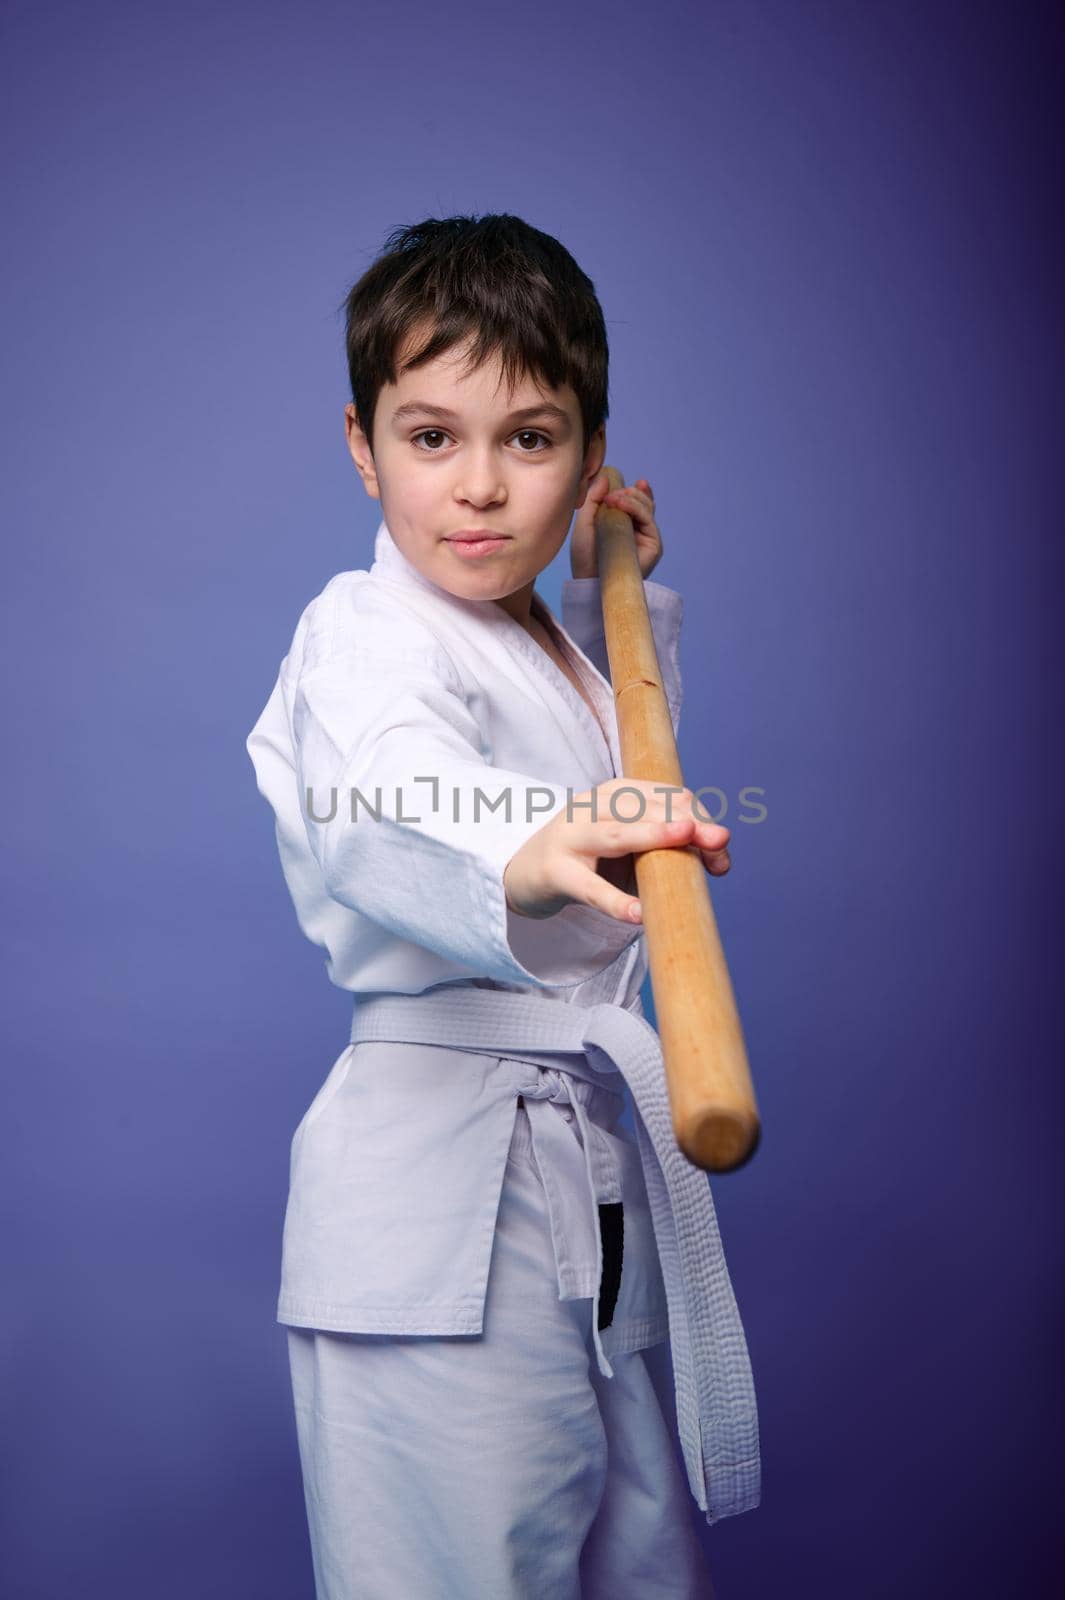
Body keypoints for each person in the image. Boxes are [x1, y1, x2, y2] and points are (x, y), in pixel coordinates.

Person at [246, 213, 760, 1599]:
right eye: (431, 439)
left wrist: (612, 601)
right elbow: (396, 787)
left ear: (587, 454)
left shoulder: (539, 631)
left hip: (583, 1188)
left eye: (529, 442)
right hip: (436, 1214)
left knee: (631, 1565)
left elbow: (554, 721)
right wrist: (531, 841)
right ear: (361, 444)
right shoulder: (360, 636)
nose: (478, 488)